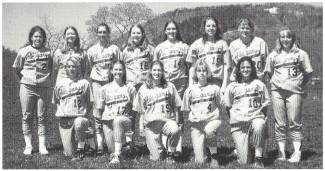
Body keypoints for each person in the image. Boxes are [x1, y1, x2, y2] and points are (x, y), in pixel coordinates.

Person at [264, 28, 313, 163]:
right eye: (282, 37)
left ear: (293, 38)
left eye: (288, 37)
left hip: (294, 91)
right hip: (277, 91)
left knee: (294, 122)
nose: (285, 39)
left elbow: (308, 72)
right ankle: (282, 153)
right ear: (279, 39)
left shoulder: (301, 54)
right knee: (279, 123)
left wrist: (301, 84)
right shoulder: (274, 55)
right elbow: (269, 72)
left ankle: (297, 153)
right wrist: (277, 82)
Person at [12, 25, 52, 155]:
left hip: (43, 87)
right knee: (27, 116)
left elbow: (51, 68)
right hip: (27, 86)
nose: (38, 39)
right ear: (31, 37)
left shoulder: (48, 52)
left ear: (43, 38)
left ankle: (42, 146)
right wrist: (24, 81)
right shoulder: (23, 51)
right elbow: (16, 68)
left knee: (42, 117)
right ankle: (28, 146)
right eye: (35, 36)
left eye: (40, 36)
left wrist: (45, 80)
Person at [224, 57, 270, 168]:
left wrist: (261, 119)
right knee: (244, 162)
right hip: (239, 124)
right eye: (243, 67)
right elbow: (228, 107)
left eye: (248, 67)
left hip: (255, 119)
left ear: (252, 69)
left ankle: (259, 158)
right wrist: (236, 119)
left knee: (259, 124)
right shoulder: (232, 86)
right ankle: (246, 148)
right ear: (239, 70)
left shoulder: (259, 84)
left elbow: (265, 105)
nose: (245, 69)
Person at [133, 61, 182, 162]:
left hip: (167, 121)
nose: (157, 72)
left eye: (159, 70)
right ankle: (161, 148)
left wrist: (177, 122)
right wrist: (141, 127)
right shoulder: (144, 88)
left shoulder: (169, 86)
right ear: (150, 71)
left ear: (163, 72)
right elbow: (142, 111)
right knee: (156, 158)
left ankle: (170, 153)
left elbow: (176, 106)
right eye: (154, 70)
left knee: (175, 130)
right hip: (151, 125)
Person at [153, 20, 188, 157]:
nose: (171, 31)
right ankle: (165, 143)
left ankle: (177, 146)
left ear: (177, 31)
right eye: (169, 29)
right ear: (165, 31)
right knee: (165, 112)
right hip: (165, 83)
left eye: (174, 29)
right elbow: (155, 67)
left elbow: (190, 66)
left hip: (180, 81)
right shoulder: (159, 48)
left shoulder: (184, 46)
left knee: (178, 112)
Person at [52, 57, 95, 161]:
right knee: (69, 153)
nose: (71, 69)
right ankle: (87, 140)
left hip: (79, 117)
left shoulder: (84, 83)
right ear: (65, 68)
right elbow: (56, 101)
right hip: (65, 119)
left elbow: (90, 102)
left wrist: (83, 114)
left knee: (79, 122)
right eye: (69, 66)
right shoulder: (59, 84)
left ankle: (83, 147)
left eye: (74, 66)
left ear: (78, 68)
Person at [87, 23, 121, 155]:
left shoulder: (114, 48)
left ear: (108, 33)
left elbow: (119, 65)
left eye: (104, 32)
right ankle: (100, 144)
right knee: (98, 113)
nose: (102, 34)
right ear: (97, 34)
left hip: (111, 82)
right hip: (97, 83)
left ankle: (116, 141)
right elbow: (89, 67)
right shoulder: (91, 50)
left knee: (113, 110)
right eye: (99, 32)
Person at [95, 61, 137, 164]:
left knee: (118, 120)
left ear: (124, 71)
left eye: (120, 69)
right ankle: (124, 148)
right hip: (108, 122)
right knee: (111, 150)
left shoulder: (130, 88)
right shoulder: (104, 89)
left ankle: (118, 155)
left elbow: (135, 109)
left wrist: (130, 126)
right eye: (116, 69)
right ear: (111, 71)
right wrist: (100, 126)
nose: (118, 72)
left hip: (124, 121)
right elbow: (99, 110)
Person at [181, 60, 223, 166]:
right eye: (199, 71)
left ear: (208, 72)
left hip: (211, 120)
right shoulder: (190, 90)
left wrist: (216, 118)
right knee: (200, 161)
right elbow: (186, 109)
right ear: (196, 73)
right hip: (197, 125)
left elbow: (221, 106)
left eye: (204, 70)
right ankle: (205, 150)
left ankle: (214, 155)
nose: (202, 73)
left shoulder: (215, 88)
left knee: (209, 130)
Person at [186, 16, 231, 95]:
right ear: (204, 28)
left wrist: (224, 85)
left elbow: (226, 66)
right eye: (208, 26)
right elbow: (192, 67)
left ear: (217, 28)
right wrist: (191, 85)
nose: (211, 28)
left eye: (214, 26)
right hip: (201, 82)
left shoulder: (222, 44)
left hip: (218, 82)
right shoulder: (196, 44)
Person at [120, 24, 155, 90]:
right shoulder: (125, 51)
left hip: (146, 85)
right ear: (130, 34)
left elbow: (156, 66)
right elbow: (120, 68)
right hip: (131, 86)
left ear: (143, 34)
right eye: (133, 33)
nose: (136, 35)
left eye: (138, 33)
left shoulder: (150, 49)